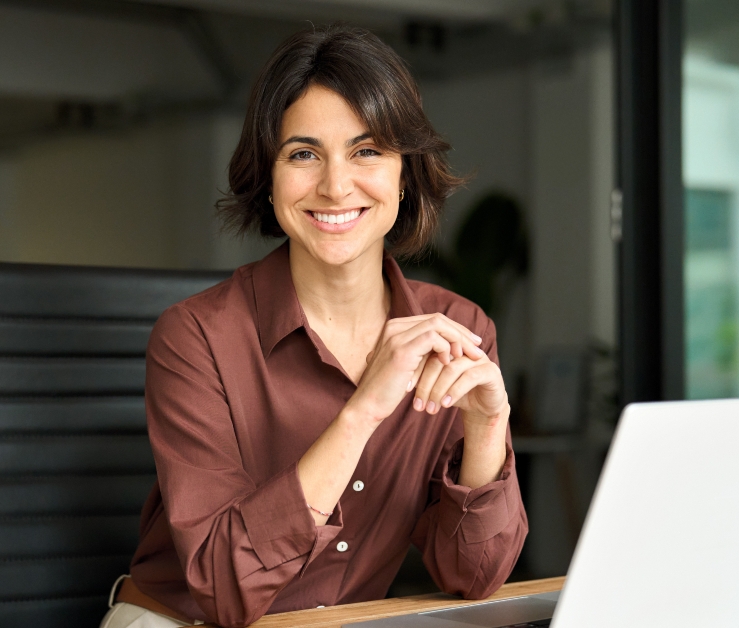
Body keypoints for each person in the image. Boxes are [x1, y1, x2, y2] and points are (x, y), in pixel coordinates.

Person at [101, 23, 528, 628]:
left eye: (368, 151)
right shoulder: (195, 337)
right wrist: (361, 413)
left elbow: (474, 575)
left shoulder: (459, 328)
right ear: (269, 176)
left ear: (404, 174)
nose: (334, 185)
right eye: (303, 154)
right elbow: (226, 588)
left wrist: (487, 427)